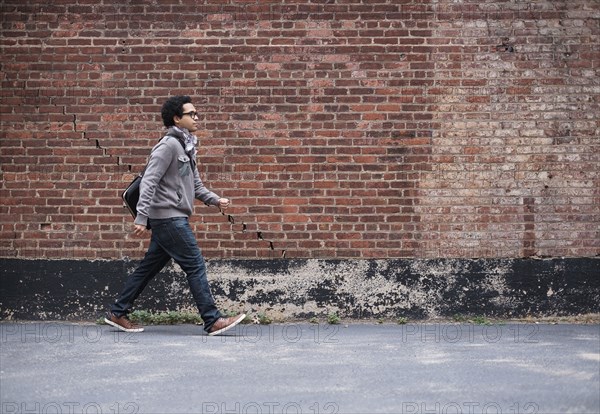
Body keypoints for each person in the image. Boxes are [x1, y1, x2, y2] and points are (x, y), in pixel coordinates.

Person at [105, 95, 245, 335]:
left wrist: (215, 199)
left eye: (196, 113)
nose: (197, 117)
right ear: (177, 118)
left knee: (148, 269)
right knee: (195, 264)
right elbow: (149, 181)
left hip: (170, 218)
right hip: (169, 218)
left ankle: (118, 312)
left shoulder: (187, 146)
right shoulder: (168, 145)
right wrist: (141, 217)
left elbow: (196, 185)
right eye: (192, 114)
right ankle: (212, 320)